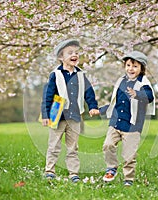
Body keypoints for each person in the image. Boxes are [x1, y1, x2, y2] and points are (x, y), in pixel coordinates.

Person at [41, 39, 100, 183]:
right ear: (61, 57)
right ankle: (50, 171)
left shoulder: (81, 75)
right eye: (70, 53)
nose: (75, 55)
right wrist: (45, 114)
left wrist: (93, 106)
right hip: (58, 116)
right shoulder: (55, 74)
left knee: (73, 147)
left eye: (76, 53)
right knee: (54, 145)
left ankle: (73, 173)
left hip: (74, 117)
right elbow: (47, 96)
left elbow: (89, 92)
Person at [99, 50, 155, 186]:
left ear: (141, 68)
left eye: (135, 66)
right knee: (108, 145)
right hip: (116, 122)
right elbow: (115, 102)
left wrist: (137, 94)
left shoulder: (144, 83)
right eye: (129, 65)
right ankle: (111, 168)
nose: (131, 68)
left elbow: (149, 97)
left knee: (129, 155)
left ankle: (128, 179)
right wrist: (101, 110)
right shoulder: (121, 81)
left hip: (132, 125)